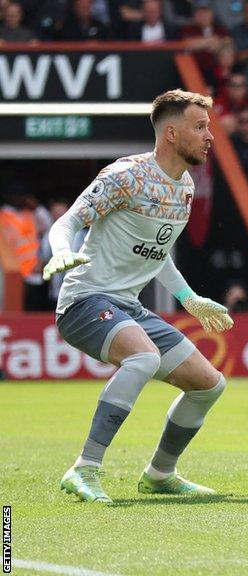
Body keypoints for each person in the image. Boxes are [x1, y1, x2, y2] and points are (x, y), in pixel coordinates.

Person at [41, 90, 233, 503]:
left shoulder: (183, 187)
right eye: (200, 127)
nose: (209, 136)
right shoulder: (126, 176)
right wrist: (61, 252)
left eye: (208, 127)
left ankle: (160, 474)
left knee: (209, 385)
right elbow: (67, 222)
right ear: (170, 133)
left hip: (128, 306)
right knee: (143, 357)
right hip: (85, 299)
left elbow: (157, 253)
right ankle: (85, 468)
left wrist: (188, 297)